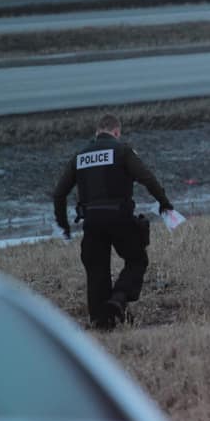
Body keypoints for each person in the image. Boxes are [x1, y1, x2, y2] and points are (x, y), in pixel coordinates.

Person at [52, 114, 173, 329]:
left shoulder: (80, 157)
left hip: (92, 222)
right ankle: (118, 298)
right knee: (137, 260)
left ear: (97, 132)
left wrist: (64, 225)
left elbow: (59, 194)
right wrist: (164, 202)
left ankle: (102, 321)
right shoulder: (122, 151)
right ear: (116, 132)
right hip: (120, 218)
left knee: (96, 271)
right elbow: (147, 178)